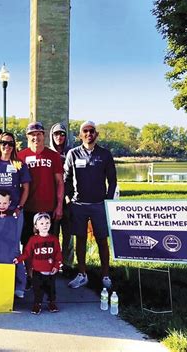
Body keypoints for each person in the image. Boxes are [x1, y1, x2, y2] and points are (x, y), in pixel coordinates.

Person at [65, 121, 117, 289]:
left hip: (99, 204)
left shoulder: (105, 154)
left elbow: (112, 180)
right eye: (85, 131)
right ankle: (82, 274)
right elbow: (66, 179)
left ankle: (106, 276)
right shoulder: (73, 154)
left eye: (91, 131)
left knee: (102, 240)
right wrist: (68, 199)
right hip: (78, 205)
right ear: (80, 135)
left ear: (96, 134)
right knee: (80, 239)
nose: (88, 134)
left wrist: (108, 201)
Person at [17, 121, 64, 289]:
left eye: (39, 134)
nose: (36, 137)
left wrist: (59, 205)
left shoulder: (53, 156)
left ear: (44, 136)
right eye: (32, 135)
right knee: (29, 244)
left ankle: (46, 276)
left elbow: (59, 182)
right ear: (27, 137)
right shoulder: (20, 156)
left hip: (47, 208)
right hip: (27, 208)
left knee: (47, 245)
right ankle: (30, 276)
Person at [13, 212, 62, 315]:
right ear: (36, 226)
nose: (45, 225)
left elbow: (58, 255)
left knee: (51, 290)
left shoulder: (54, 239)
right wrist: (19, 259)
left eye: (47, 223)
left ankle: (51, 303)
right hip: (37, 271)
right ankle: (37, 304)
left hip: (50, 272)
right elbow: (27, 253)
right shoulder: (33, 240)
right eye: (42, 223)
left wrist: (56, 266)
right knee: (37, 290)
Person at [0, 132, 30, 217]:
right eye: (4, 143)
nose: (7, 146)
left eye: (10, 143)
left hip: (14, 211)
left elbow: (26, 188)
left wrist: (19, 207)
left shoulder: (19, 164)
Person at [49, 122, 74, 272]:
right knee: (52, 234)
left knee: (68, 235)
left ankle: (68, 264)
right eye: (56, 134)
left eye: (62, 134)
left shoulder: (73, 153)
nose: (59, 137)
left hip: (69, 200)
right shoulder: (48, 153)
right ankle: (53, 264)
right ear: (52, 136)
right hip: (52, 199)